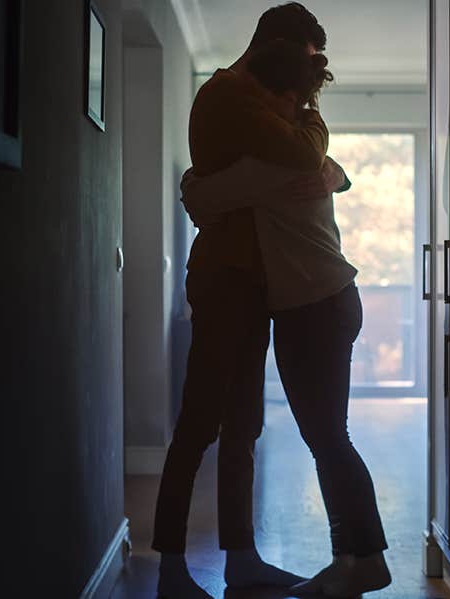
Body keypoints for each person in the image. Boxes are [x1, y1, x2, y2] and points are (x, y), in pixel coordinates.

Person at [179, 41, 392, 598]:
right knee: (327, 435)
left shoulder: (279, 159)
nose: (262, 113)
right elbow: (330, 171)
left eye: (272, 100)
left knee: (328, 436)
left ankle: (362, 560)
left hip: (315, 306)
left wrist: (193, 184)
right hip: (322, 302)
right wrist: (335, 173)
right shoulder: (304, 153)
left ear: (284, 99)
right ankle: (352, 559)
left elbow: (199, 194)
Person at [150, 4, 331, 599]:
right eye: (305, 59)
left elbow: (307, 165)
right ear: (277, 46)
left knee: (244, 424)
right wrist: (310, 125)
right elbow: (306, 158)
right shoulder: (228, 95)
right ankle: (172, 567)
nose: (308, 79)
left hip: (255, 280)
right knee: (201, 420)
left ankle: (240, 559)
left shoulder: (259, 99)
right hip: (225, 277)